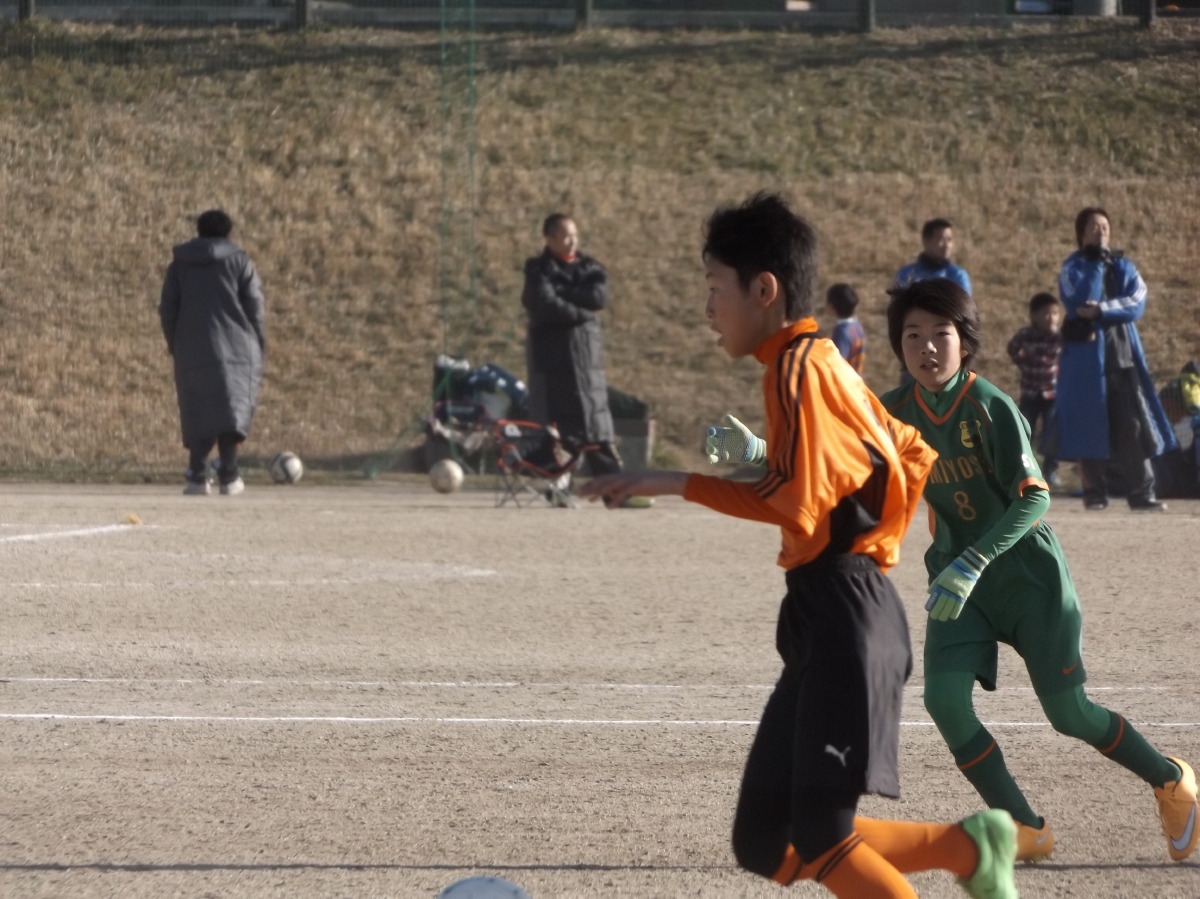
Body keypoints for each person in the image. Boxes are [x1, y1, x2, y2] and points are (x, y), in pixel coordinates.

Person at [583, 194, 1018, 899]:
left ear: (764, 290)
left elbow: (794, 500)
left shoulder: (794, 366)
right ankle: (967, 846)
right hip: (835, 608)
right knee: (766, 838)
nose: (708, 307)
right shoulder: (821, 363)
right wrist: (871, 535)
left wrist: (675, 482)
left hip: (846, 610)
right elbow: (908, 452)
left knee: (821, 833)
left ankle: (965, 849)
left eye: (714, 288)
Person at [878, 277, 1198, 865]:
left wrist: (977, 558)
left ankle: (1170, 779)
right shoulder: (893, 411)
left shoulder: (990, 405)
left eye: (940, 334)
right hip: (957, 582)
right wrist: (760, 454)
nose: (926, 348)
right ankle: (1027, 827)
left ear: (965, 341)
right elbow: (837, 457)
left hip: (1027, 576)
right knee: (944, 702)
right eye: (912, 335)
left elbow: (1036, 497)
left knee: (1069, 715)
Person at [1057, 207, 1176, 511]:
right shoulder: (1072, 267)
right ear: (1081, 234)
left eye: (1105, 228)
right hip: (1085, 361)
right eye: (1094, 228)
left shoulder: (1124, 265)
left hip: (1122, 356)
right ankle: (1094, 492)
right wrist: (1095, 267)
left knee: (1133, 425)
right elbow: (1079, 301)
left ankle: (1142, 493)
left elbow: (1136, 301)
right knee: (1089, 424)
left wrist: (1102, 310)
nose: (1101, 233)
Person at [159, 209, 265, 496]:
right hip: (238, 346)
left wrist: (175, 343)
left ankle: (197, 475)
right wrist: (259, 343)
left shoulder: (179, 265)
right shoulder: (241, 262)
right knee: (232, 409)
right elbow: (255, 307)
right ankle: (229, 475)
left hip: (192, 346)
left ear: (199, 230)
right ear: (228, 231)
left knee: (197, 407)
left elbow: (167, 308)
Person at [521, 213, 626, 482]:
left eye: (575, 235)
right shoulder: (537, 269)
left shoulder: (590, 268)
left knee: (595, 431)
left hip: (586, 363)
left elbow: (598, 296)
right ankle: (557, 489)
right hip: (551, 364)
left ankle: (616, 490)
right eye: (565, 236)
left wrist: (565, 295)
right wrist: (582, 312)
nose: (572, 241)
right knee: (557, 434)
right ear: (549, 239)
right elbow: (544, 303)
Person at [1005, 292, 1062, 487]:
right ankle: (1024, 470)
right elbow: (1012, 348)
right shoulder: (1025, 335)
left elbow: (1068, 353)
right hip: (1029, 392)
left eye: (1055, 313)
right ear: (1034, 316)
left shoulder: (1058, 336)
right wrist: (1023, 362)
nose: (1051, 318)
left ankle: (1050, 472)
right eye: (1046, 313)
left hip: (1051, 393)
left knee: (1052, 434)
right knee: (1024, 431)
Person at [892, 218, 972, 296]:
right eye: (941, 239)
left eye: (949, 240)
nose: (946, 246)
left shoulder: (958, 275)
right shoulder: (906, 274)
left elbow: (964, 303)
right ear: (926, 241)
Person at [826, 283, 865, 374]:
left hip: (844, 380)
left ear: (832, 307)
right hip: (856, 378)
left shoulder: (841, 332)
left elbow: (837, 364)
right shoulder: (857, 326)